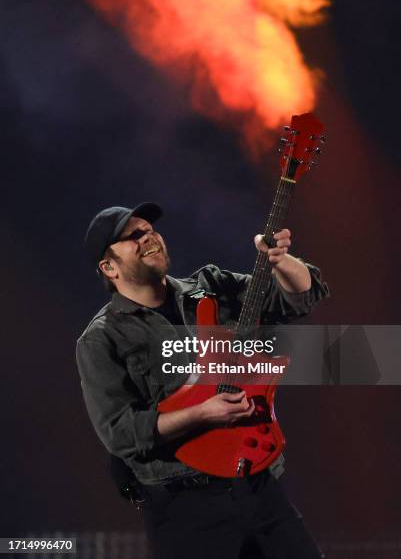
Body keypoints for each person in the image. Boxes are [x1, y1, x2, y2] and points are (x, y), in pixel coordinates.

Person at [77, 202, 329, 559]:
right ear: (108, 267)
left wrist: (280, 261)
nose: (148, 236)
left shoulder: (210, 286)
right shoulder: (101, 339)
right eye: (133, 236)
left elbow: (300, 299)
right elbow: (120, 433)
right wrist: (202, 413)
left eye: (150, 229)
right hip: (183, 509)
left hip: (257, 487)